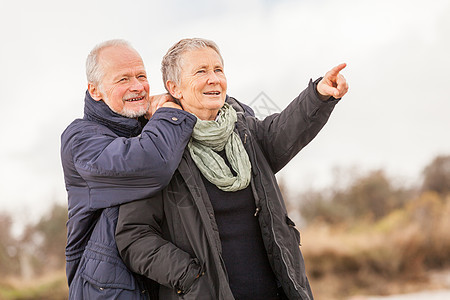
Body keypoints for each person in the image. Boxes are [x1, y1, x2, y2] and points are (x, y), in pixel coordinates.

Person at [115, 38, 348, 300]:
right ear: (174, 87)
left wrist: (318, 95)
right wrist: (189, 276)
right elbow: (134, 237)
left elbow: (284, 130)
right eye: (201, 71)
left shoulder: (247, 132)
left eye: (218, 70)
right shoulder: (157, 150)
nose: (214, 78)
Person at [60, 39, 197, 299]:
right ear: (95, 90)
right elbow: (152, 165)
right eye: (123, 79)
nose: (137, 87)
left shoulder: (150, 127)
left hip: (161, 282)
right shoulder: (79, 139)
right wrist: (169, 111)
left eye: (141, 76)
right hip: (107, 292)